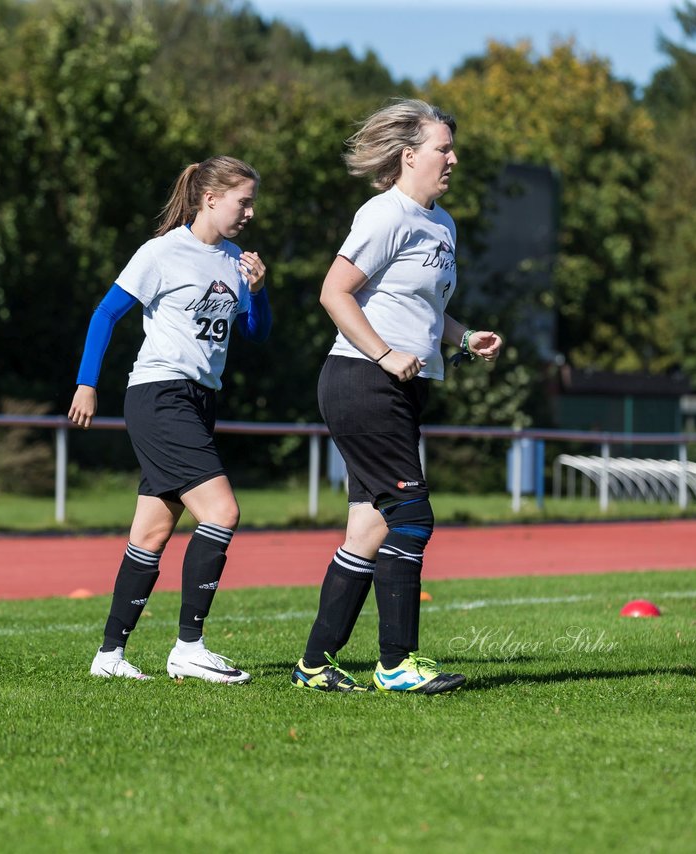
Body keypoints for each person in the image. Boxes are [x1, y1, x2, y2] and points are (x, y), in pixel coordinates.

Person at [291, 99, 502, 694]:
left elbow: (420, 306)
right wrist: (384, 354)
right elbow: (335, 292)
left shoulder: (442, 222)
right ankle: (396, 664)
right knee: (411, 515)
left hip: (402, 388)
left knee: (369, 529)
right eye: (443, 148)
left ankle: (313, 666)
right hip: (362, 380)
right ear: (409, 156)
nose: (453, 158)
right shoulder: (385, 214)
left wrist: (463, 335)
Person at [68, 156, 271, 684]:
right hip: (160, 396)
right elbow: (105, 314)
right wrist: (87, 383)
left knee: (152, 533)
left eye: (252, 202)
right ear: (209, 199)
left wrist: (258, 290)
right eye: (242, 201)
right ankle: (189, 648)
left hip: (201, 402)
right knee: (222, 513)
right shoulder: (161, 253)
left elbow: (256, 334)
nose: (250, 211)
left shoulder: (234, 261)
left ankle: (108, 657)